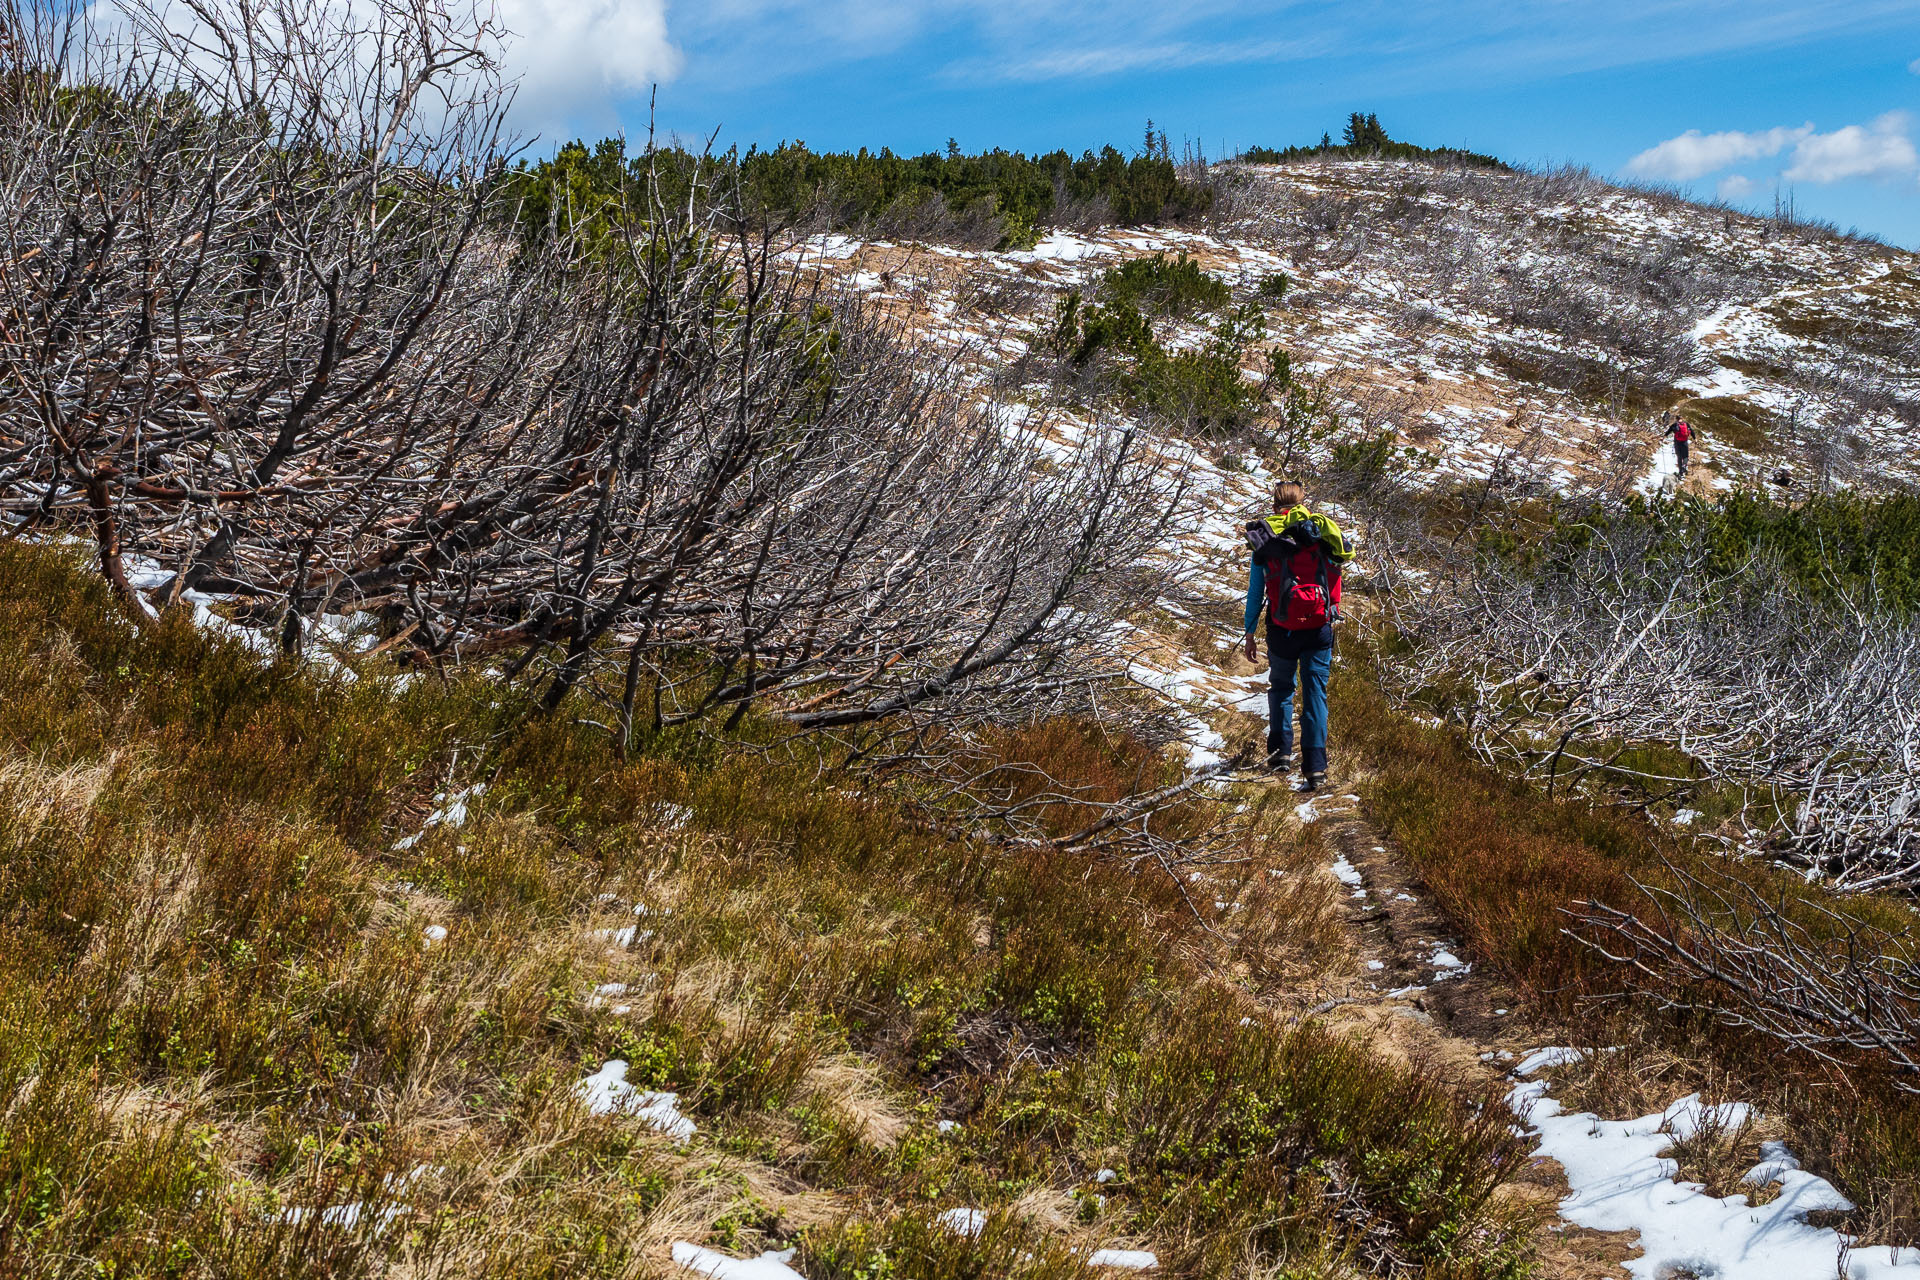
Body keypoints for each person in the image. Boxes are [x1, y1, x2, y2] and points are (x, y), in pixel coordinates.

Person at [1242, 481, 1352, 791]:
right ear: (1303, 502)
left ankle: (1280, 756)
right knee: (1316, 694)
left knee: (1281, 689)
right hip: (1319, 628)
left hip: (1282, 629)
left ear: (1275, 506)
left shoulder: (1266, 538)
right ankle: (1316, 768)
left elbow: (1255, 592)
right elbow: (1337, 570)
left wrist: (1250, 632)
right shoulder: (1322, 533)